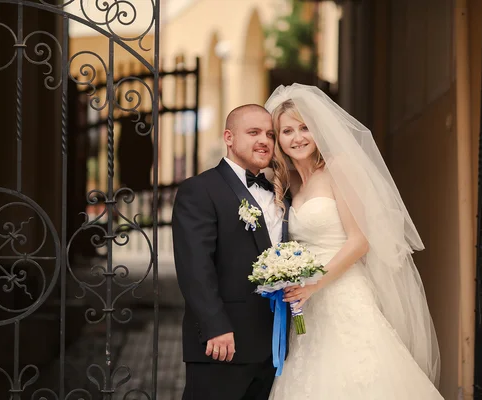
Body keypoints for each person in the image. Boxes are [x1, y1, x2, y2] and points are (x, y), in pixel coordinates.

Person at [265, 83, 444, 399]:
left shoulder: (337, 168)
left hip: (343, 292)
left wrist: (313, 284)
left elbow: (359, 241)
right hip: (307, 306)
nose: (297, 138)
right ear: (278, 139)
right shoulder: (289, 183)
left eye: (304, 127)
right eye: (287, 131)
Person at [172, 104, 290, 400]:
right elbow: (195, 266)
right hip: (224, 342)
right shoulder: (199, 190)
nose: (264, 140)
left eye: (270, 134)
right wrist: (215, 326)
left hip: (272, 345)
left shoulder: (281, 193)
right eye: (253, 132)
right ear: (228, 137)